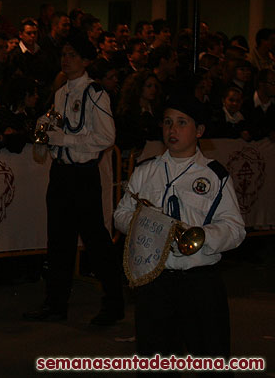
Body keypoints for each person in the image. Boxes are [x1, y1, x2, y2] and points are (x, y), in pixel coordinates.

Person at [113, 95, 245, 370]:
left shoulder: (214, 176)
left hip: (200, 281)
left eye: (182, 123)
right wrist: (149, 225)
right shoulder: (145, 170)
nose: (172, 130)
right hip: (155, 281)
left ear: (199, 131)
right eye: (168, 122)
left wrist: (202, 237)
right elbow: (121, 215)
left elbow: (235, 228)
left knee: (211, 361)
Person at [23, 34, 124, 325]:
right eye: (64, 54)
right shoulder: (61, 92)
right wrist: (46, 133)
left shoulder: (95, 93)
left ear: (85, 60)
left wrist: (63, 139)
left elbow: (106, 137)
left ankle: (113, 303)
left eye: (72, 55)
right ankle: (55, 304)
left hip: (83, 175)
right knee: (58, 240)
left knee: (96, 241)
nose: (65, 60)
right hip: (61, 174)